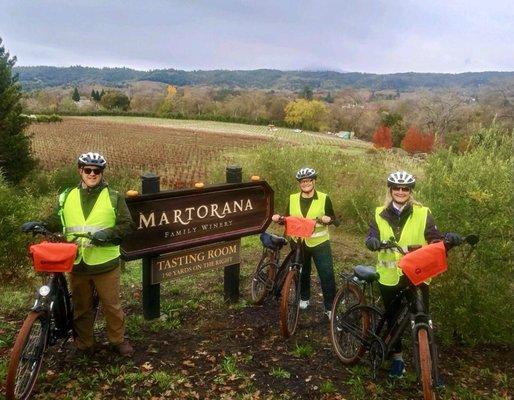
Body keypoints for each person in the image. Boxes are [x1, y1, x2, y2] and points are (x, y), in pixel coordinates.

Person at [24, 152, 135, 356]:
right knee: (81, 307)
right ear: (80, 171)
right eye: (88, 170)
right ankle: (85, 344)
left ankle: (117, 340)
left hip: (105, 262)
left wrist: (107, 234)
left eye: (97, 171)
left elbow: (127, 225)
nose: (92, 174)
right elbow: (57, 219)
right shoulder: (67, 196)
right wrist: (40, 224)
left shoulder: (113, 197)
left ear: (102, 173)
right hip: (76, 261)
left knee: (111, 306)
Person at [365, 171, 460, 378]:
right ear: (390, 190)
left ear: (410, 192)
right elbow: (371, 234)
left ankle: (431, 368)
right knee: (392, 319)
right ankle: (397, 359)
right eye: (396, 188)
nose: (400, 192)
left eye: (405, 188)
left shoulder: (423, 212)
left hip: (417, 273)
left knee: (423, 316)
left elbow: (434, 238)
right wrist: (372, 241)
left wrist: (446, 240)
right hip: (389, 275)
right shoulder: (379, 213)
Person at [272, 167, 338, 319]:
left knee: (326, 274)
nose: (306, 183)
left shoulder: (324, 198)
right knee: (302, 271)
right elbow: (289, 218)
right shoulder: (293, 198)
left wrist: (329, 219)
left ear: (314, 181)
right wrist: (279, 219)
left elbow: (332, 216)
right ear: (299, 183)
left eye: (308, 180)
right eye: (303, 181)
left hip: (319, 242)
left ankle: (330, 307)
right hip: (298, 242)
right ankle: (304, 298)